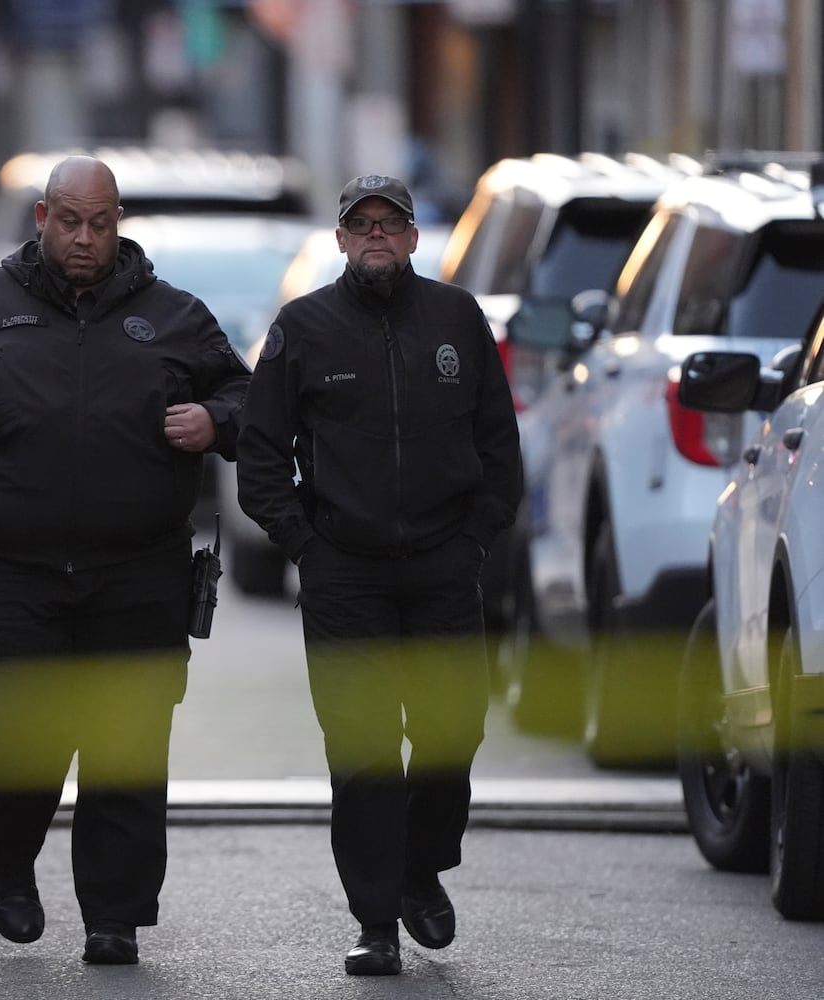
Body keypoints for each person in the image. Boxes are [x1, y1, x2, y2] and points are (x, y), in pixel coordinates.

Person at [0, 156, 250, 965]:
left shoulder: (174, 315)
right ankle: (11, 864)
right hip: (13, 571)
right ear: (42, 217)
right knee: (16, 743)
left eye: (102, 223)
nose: (86, 239)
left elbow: (247, 397)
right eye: (71, 222)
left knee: (126, 749)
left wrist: (216, 421)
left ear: (120, 223)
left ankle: (114, 916)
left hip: (138, 572)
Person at [235, 175, 522, 976]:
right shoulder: (303, 329)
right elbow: (260, 459)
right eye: (360, 225)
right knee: (362, 752)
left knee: (448, 735)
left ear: (412, 238)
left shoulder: (456, 320)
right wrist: (306, 545)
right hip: (344, 574)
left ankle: (421, 870)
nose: (375, 237)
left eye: (389, 225)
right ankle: (376, 922)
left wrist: (473, 541)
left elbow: (501, 447)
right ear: (339, 240)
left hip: (441, 566)